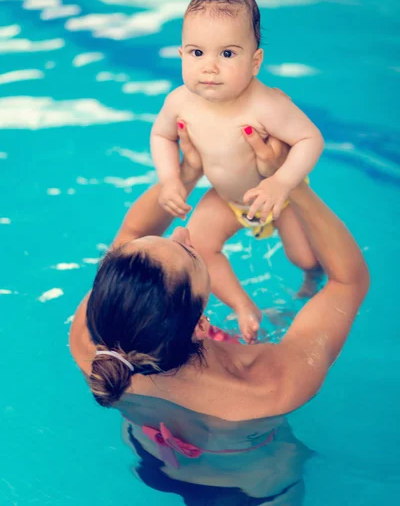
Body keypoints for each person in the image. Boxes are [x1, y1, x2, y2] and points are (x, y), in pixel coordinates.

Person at [70, 126, 369, 506]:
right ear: (199, 325)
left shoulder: (89, 342)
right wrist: (293, 184)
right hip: (254, 490)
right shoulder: (266, 386)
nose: (182, 232)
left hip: (153, 462)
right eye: (190, 254)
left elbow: (133, 230)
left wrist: (188, 171)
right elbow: (349, 283)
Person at [150, 0, 325, 343]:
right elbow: (161, 136)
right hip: (228, 198)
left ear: (255, 61)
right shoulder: (180, 101)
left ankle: (312, 282)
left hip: (281, 195)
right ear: (181, 55)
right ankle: (245, 307)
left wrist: (281, 183)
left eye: (227, 54)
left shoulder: (267, 105)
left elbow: (311, 139)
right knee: (197, 245)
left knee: (304, 258)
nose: (210, 67)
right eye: (197, 53)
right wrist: (171, 180)